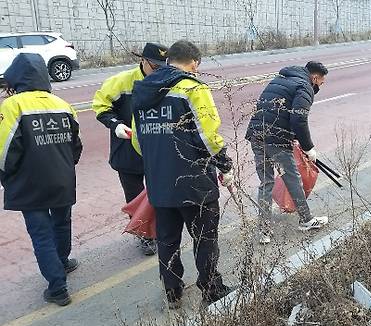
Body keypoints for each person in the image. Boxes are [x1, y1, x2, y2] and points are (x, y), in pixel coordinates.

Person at [131, 40, 233, 308]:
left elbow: (137, 143)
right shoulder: (192, 88)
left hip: (159, 183)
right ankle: (211, 289)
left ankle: (172, 291)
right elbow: (208, 136)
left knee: (166, 240)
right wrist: (224, 165)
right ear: (194, 63)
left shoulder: (141, 91)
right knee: (204, 238)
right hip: (194, 182)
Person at [0, 53, 83, 306]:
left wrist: (7, 178)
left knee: (41, 234)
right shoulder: (62, 104)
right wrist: (65, 168)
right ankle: (63, 261)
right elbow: (76, 146)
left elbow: (4, 153)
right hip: (62, 178)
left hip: (30, 183)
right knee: (61, 223)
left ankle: (57, 288)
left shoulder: (12, 107)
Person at [92, 42, 168, 255]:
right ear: (143, 61)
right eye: (155, 66)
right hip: (127, 149)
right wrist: (115, 123)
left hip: (158, 150)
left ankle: (162, 229)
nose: (159, 71)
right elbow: (100, 106)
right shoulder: (121, 82)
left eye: (163, 67)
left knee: (160, 192)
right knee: (134, 195)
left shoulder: (168, 81)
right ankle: (144, 234)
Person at [245, 61, 330, 244]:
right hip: (276, 140)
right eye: (321, 83)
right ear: (315, 78)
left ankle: (264, 231)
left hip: (256, 135)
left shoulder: (281, 79)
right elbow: (299, 119)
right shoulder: (304, 86)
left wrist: (295, 138)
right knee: (293, 180)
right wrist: (308, 148)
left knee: (266, 183)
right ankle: (306, 220)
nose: (319, 86)